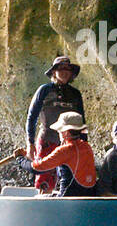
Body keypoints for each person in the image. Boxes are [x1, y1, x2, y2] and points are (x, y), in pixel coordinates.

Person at [25, 56, 84, 192]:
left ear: (71, 73)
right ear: (54, 72)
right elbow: (31, 117)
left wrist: (83, 145)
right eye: (60, 69)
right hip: (48, 140)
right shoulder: (44, 90)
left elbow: (81, 122)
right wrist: (30, 143)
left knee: (69, 181)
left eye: (67, 69)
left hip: (69, 144)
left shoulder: (75, 94)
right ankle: (42, 205)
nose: (64, 72)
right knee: (45, 180)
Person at [31, 111, 99, 197]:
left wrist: (20, 158)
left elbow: (36, 168)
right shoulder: (87, 147)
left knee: (37, 197)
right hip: (90, 195)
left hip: (67, 199)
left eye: (59, 130)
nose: (58, 132)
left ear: (66, 133)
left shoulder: (64, 150)